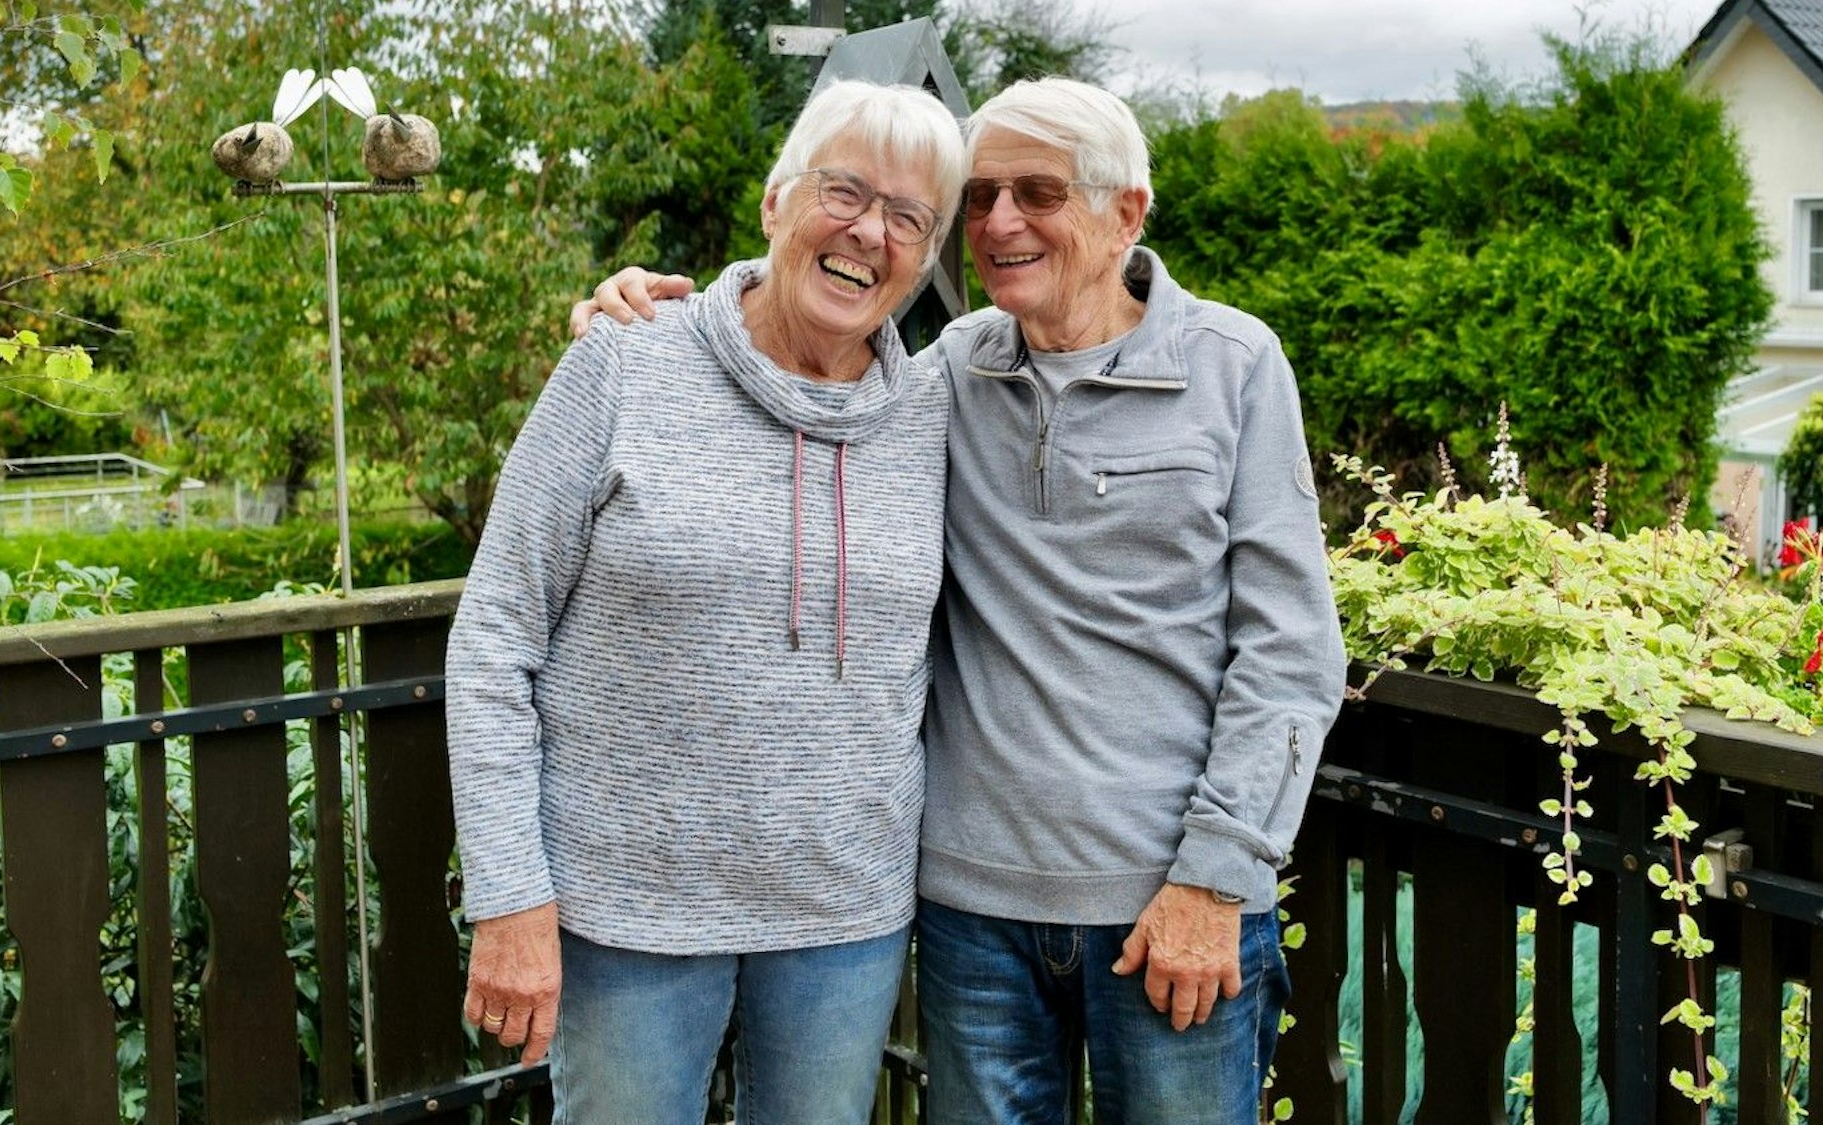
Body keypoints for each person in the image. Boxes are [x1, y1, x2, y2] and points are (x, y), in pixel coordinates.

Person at [572, 76, 1347, 1125]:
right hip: (971, 915)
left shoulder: (1234, 367)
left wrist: (1214, 882)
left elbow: (1291, 653)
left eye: (1038, 193)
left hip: (1173, 905)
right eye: (979, 198)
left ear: (1127, 213)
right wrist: (649, 315)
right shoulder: (947, 373)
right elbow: (808, 332)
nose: (998, 223)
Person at [448, 79, 964, 1125]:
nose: (870, 232)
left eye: (908, 217)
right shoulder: (623, 360)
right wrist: (509, 892)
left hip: (844, 916)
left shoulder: (936, 409)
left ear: (924, 258)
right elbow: (495, 636)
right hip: (623, 914)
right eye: (844, 191)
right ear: (775, 203)